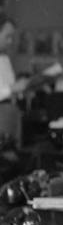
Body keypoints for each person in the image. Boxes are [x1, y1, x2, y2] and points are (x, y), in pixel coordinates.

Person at [0, 14, 28, 146]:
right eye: (7, 36)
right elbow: (9, 88)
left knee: (15, 155)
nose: (10, 41)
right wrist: (12, 88)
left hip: (12, 110)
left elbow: (11, 86)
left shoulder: (5, 58)